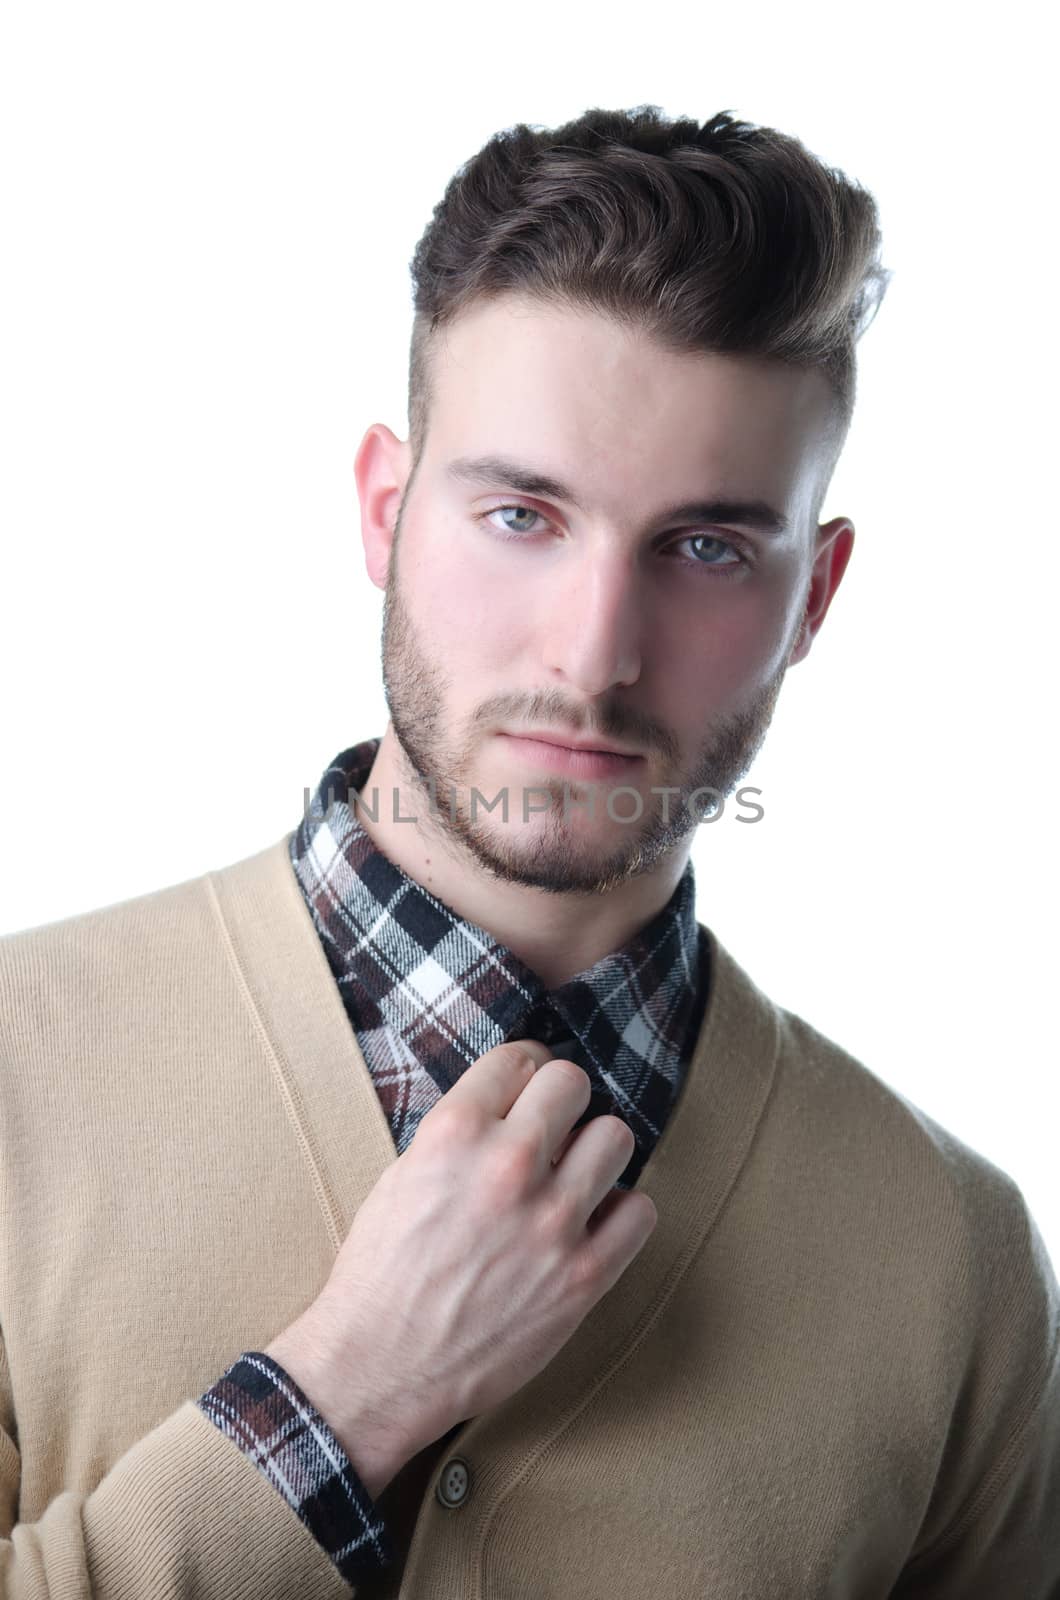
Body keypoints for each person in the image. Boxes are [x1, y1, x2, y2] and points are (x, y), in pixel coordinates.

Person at [1, 104, 1056, 1600]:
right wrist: (339, 1403)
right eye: (520, 514)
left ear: (814, 597)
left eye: (704, 549)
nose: (595, 651)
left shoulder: (956, 1261)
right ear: (386, 510)